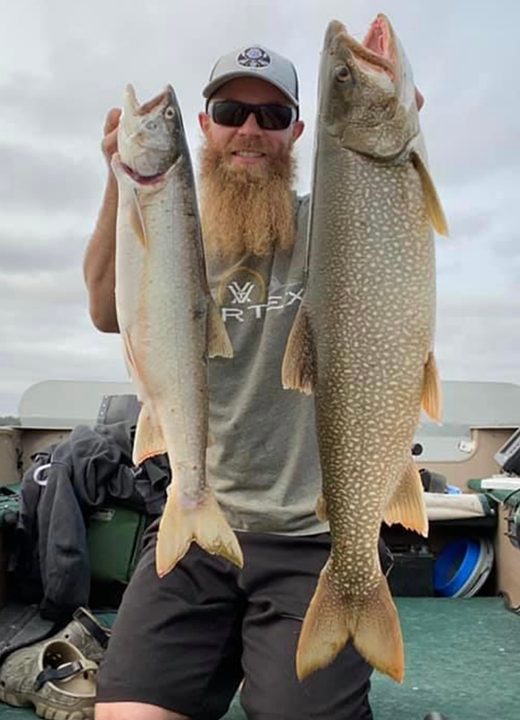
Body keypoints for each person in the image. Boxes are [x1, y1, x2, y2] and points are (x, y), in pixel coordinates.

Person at [84, 44, 420, 720]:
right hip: (195, 515)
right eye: (232, 110)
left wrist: (395, 125)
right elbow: (103, 310)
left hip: (310, 539)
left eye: (272, 115)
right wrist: (121, 181)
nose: (251, 130)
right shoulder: (174, 225)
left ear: (297, 132)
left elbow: (378, 185)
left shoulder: (330, 225)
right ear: (205, 125)